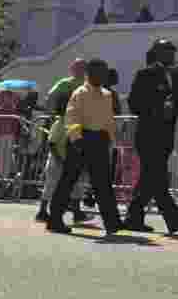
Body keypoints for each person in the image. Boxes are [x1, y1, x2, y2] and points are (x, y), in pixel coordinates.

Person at [122, 38, 178, 235]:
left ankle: (133, 218)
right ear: (157, 53)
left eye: (172, 51)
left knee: (150, 178)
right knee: (156, 177)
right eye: (167, 51)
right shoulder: (145, 74)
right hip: (149, 134)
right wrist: (158, 108)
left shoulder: (172, 76)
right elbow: (134, 103)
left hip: (164, 135)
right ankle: (173, 218)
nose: (172, 54)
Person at [46, 58, 122, 235]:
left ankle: (113, 223)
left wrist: (112, 140)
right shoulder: (80, 92)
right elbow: (72, 117)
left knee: (103, 183)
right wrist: (76, 139)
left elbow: (109, 120)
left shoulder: (107, 94)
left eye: (103, 72)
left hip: (100, 140)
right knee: (67, 181)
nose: (101, 76)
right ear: (88, 74)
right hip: (81, 139)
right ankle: (54, 220)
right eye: (97, 72)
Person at [35, 59, 94, 224]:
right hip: (59, 158)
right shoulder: (61, 121)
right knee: (53, 183)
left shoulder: (87, 86)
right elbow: (52, 142)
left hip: (72, 152)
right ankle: (43, 211)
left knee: (76, 184)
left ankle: (75, 212)